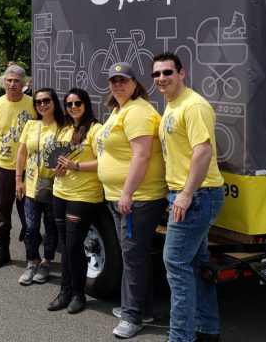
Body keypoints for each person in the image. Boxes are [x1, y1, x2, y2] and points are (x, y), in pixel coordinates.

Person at [152, 53, 226, 342]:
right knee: (195, 265)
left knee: (176, 265)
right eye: (156, 74)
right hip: (191, 195)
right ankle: (207, 331)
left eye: (167, 72)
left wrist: (185, 194)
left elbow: (203, 151)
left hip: (197, 195)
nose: (161, 78)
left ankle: (180, 338)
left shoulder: (193, 106)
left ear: (181, 74)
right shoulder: (173, 106)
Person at [95, 63, 168, 337]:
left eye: (123, 81)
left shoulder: (137, 111)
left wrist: (126, 193)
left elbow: (142, 156)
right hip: (121, 196)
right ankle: (143, 309)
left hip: (138, 198)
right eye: (113, 81)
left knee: (133, 257)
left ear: (135, 84)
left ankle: (132, 316)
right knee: (136, 256)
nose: (117, 85)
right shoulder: (119, 109)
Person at [48, 88, 102, 314]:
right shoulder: (65, 130)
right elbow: (53, 159)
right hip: (60, 192)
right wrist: (57, 167)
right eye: (69, 105)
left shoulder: (96, 130)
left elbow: (105, 162)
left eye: (77, 103)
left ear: (86, 104)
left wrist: (75, 166)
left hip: (84, 195)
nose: (73, 108)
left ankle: (79, 294)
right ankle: (64, 292)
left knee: (74, 246)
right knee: (65, 246)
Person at [0, 64, 33, 268]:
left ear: (24, 83)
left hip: (29, 169)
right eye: (8, 80)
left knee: (29, 212)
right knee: (3, 212)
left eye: (16, 81)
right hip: (2, 167)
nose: (11, 84)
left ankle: (32, 252)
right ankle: (1, 250)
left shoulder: (33, 104)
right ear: (4, 83)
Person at [14, 88, 65, 286]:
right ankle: (31, 262)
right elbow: (22, 154)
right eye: (38, 102)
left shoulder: (63, 127)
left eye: (46, 100)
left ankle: (45, 262)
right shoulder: (31, 125)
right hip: (30, 185)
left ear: (54, 102)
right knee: (31, 227)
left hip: (53, 186)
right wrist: (19, 179)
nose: (42, 104)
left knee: (51, 227)